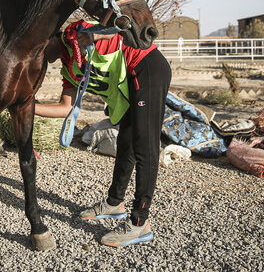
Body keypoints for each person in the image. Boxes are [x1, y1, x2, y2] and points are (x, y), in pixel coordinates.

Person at [35, 20, 171, 247]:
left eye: (36, 46)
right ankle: (114, 203)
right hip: (128, 85)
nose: (35, 53)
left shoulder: (77, 35)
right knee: (125, 144)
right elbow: (66, 108)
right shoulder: (69, 67)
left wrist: (94, 35)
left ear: (50, 34)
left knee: (144, 148)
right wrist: (28, 106)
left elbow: (122, 27)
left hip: (146, 67)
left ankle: (139, 224)